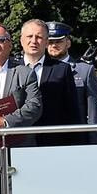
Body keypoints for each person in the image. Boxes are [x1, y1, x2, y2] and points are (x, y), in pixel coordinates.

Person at [0, 23, 43, 143]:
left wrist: (6, 122)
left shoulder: (25, 73)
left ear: (10, 45)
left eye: (1, 39)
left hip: (18, 144)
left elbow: (34, 106)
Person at [18, 19, 81, 147]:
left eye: (39, 37)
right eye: (29, 36)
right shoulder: (10, 69)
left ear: (46, 42)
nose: (34, 41)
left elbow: (72, 113)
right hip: (17, 142)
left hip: (52, 143)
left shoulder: (62, 69)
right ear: (21, 40)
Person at [46, 21, 97, 145]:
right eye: (50, 42)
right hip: (47, 138)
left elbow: (94, 114)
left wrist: (95, 144)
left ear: (68, 43)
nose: (54, 45)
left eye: (58, 41)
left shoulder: (84, 70)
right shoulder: (39, 70)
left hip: (76, 138)